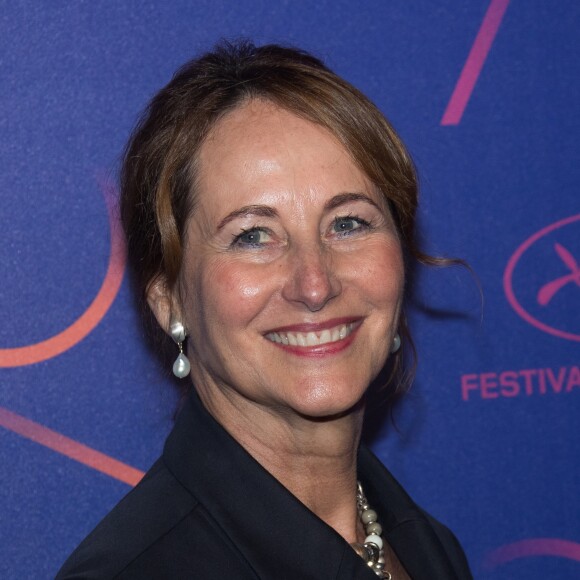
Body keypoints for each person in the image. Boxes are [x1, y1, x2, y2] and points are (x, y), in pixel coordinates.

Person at [57, 41, 472, 579]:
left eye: (348, 223)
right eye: (253, 236)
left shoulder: (429, 549)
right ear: (169, 300)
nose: (315, 284)